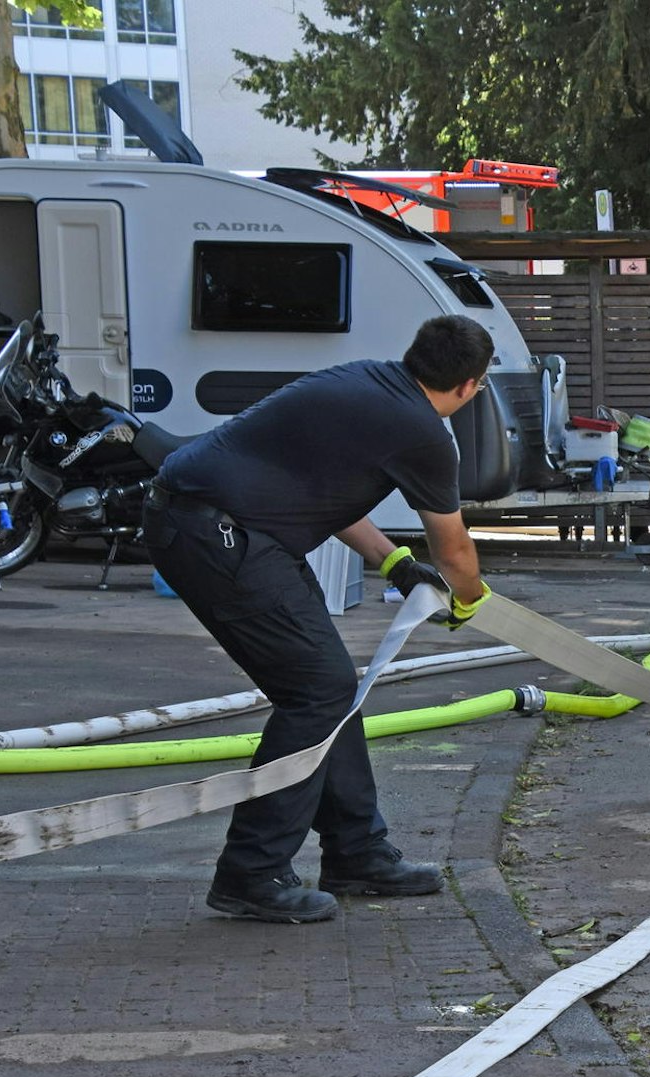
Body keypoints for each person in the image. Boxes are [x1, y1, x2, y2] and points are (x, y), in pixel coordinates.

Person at [144, 315, 495, 924]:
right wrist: (468, 600)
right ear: (470, 385)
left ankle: (356, 852)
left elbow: (317, 490)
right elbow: (457, 552)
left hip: (210, 523)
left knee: (332, 689)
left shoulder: (364, 381)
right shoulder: (426, 434)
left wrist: (393, 562)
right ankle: (251, 874)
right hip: (220, 534)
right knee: (318, 691)